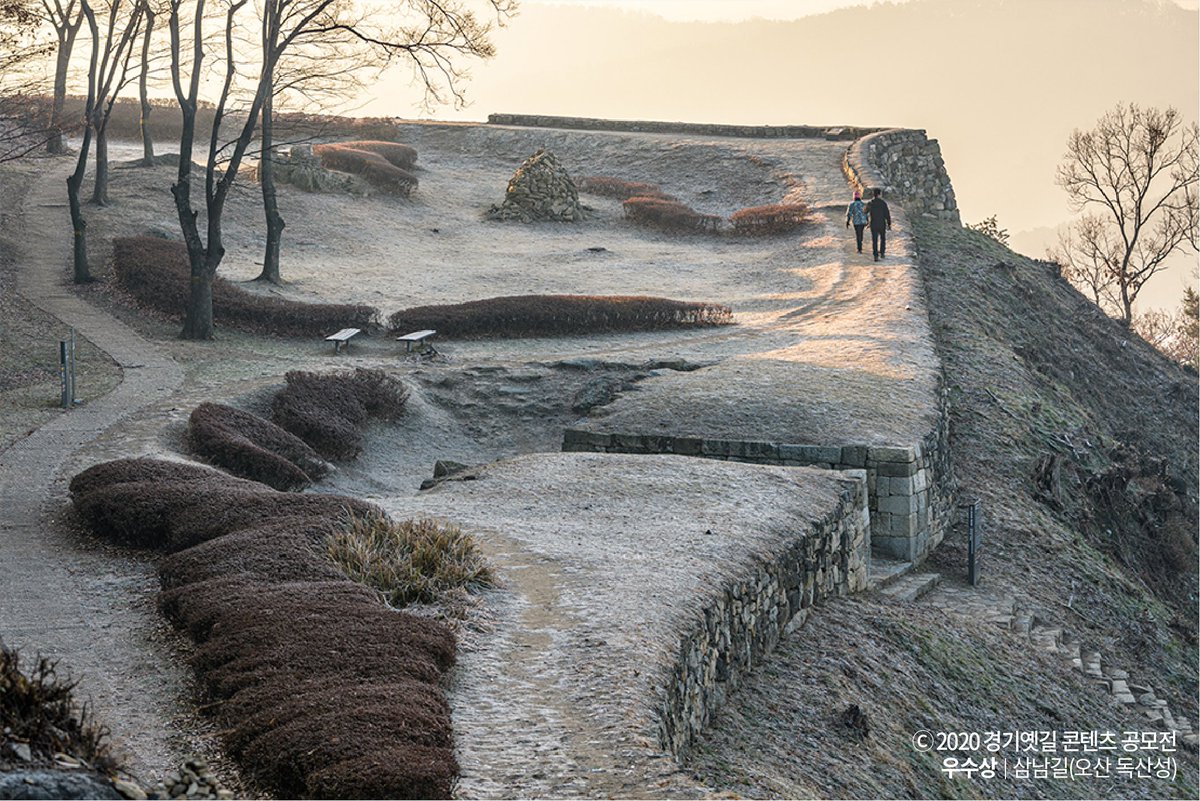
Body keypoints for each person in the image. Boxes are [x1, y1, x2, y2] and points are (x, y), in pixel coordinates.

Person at [867, 188, 891, 261]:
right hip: (881, 223)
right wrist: (889, 223)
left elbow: (865, 211)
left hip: (873, 223)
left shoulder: (870, 203)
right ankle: (882, 252)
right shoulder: (883, 203)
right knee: (882, 238)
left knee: (874, 240)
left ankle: (875, 255)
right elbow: (887, 214)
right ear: (879, 194)